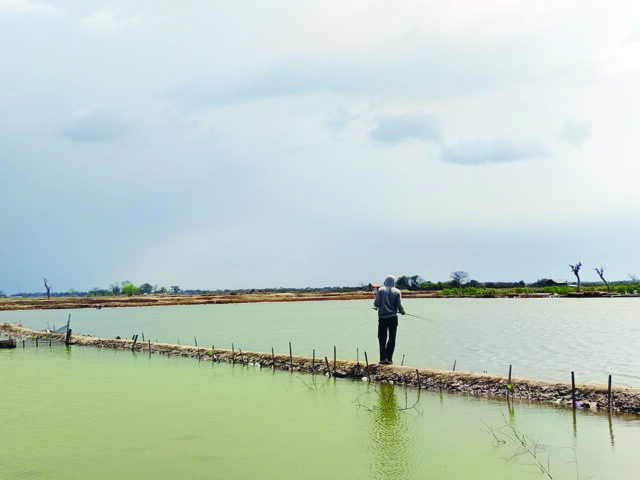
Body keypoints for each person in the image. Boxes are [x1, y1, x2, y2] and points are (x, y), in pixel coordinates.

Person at [374, 275, 405, 365]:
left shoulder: (380, 290)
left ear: (386, 281)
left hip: (383, 318)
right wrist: (402, 312)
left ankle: (383, 358)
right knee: (392, 338)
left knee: (382, 338)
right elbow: (399, 305)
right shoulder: (397, 291)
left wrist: (377, 305)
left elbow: (377, 304)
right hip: (393, 318)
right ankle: (389, 359)